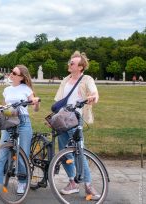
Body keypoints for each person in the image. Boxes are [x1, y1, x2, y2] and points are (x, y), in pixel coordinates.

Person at [0, 65, 40, 196]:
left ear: (21, 77)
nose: (11, 74)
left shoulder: (26, 88)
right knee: (1, 153)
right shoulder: (7, 89)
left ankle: (23, 181)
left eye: (14, 72)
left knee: (21, 154)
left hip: (23, 122)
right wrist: (0, 108)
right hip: (9, 120)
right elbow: (4, 104)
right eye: (11, 71)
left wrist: (36, 102)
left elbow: (35, 107)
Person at [54, 51, 100, 200]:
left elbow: (95, 93)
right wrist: (54, 118)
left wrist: (93, 98)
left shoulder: (87, 79)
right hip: (62, 119)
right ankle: (72, 182)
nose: (69, 64)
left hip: (75, 119)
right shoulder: (65, 80)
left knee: (79, 153)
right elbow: (58, 100)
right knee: (64, 153)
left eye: (72, 63)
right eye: (70, 62)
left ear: (80, 67)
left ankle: (88, 185)